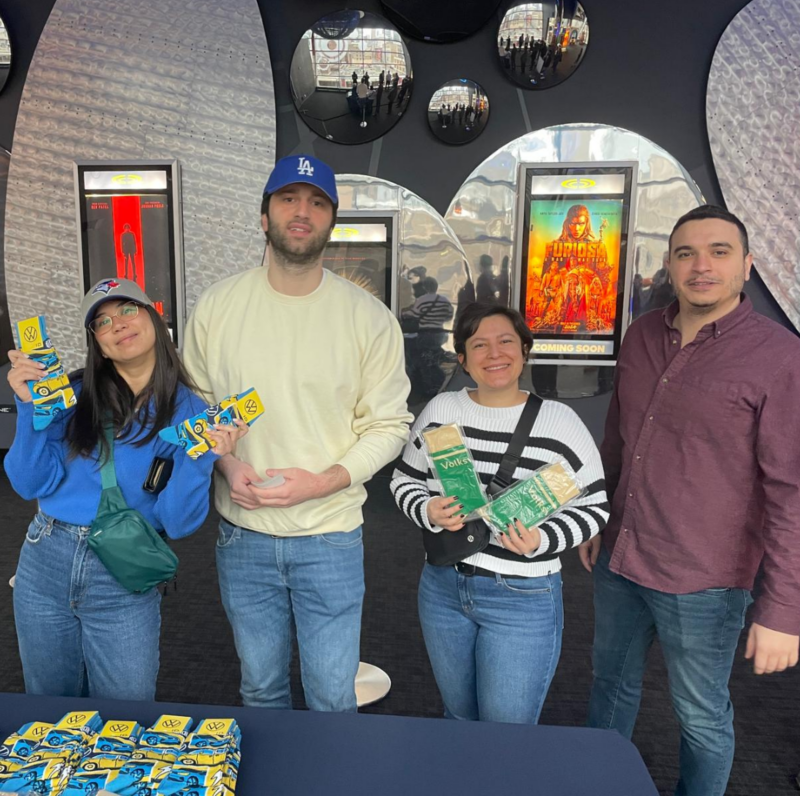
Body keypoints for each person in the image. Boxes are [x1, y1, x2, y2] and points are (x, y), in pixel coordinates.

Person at [582, 205, 800, 796]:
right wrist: (597, 515)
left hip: (705, 581)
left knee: (700, 716)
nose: (701, 265)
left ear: (747, 266)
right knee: (610, 688)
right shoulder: (642, 334)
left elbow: (790, 493)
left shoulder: (780, 359)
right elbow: (617, 439)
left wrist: (783, 612)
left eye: (719, 252)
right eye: (685, 253)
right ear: (670, 265)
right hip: (622, 558)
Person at [182, 154, 412, 712]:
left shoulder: (368, 317)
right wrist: (226, 465)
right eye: (288, 199)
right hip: (244, 533)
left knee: (333, 697)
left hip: (329, 534)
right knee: (260, 689)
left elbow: (390, 425)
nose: (301, 211)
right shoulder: (218, 306)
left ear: (332, 221)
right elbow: (195, 406)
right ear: (264, 217)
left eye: (316, 201)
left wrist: (322, 482)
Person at [4, 278, 246, 701]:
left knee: (125, 715)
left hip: (121, 571)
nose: (117, 324)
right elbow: (29, 483)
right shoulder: (73, 394)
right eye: (102, 322)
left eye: (128, 310)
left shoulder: (191, 411)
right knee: (48, 707)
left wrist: (201, 458)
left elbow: (179, 522)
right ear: (98, 344)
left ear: (154, 317)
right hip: (46, 558)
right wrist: (30, 407)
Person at [391, 303, 609, 723]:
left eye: (506, 341)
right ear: (463, 359)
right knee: (457, 715)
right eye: (479, 345)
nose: (495, 354)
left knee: (506, 728)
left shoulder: (560, 422)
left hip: (522, 597)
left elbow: (594, 507)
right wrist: (428, 510)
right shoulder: (441, 411)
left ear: (525, 350)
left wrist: (542, 540)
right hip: (442, 586)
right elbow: (403, 481)